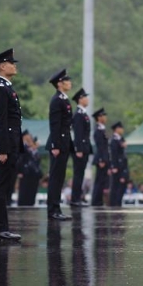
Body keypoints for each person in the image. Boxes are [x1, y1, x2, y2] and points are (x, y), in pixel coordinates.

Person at [0, 48, 23, 242]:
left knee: (4, 188)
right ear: (1, 66)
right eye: (11, 63)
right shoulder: (0, 88)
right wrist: (2, 149)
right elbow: (1, 121)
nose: (14, 65)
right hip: (4, 145)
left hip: (10, 143)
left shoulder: (6, 86)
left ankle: (3, 227)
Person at [45, 69, 74, 221]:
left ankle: (57, 208)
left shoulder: (64, 99)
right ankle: (52, 210)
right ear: (60, 84)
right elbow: (55, 124)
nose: (70, 83)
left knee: (60, 177)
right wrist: (55, 145)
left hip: (64, 142)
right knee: (55, 178)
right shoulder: (57, 100)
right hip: (58, 143)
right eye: (67, 81)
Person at [71, 88, 92, 207]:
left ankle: (78, 197)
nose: (87, 99)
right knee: (78, 174)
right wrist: (78, 149)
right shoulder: (79, 114)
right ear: (80, 99)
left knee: (80, 174)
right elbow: (78, 133)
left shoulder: (83, 113)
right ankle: (75, 199)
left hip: (84, 148)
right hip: (80, 149)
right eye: (85, 97)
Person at [91, 107, 109, 207]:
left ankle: (99, 201)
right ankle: (96, 201)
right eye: (104, 116)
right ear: (99, 117)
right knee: (99, 181)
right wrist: (102, 159)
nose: (105, 118)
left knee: (102, 181)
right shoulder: (98, 130)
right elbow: (100, 146)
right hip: (101, 159)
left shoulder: (102, 129)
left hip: (104, 159)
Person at [109, 121, 128, 207]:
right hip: (117, 166)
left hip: (122, 165)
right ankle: (113, 204)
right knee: (115, 186)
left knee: (121, 187)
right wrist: (114, 166)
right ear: (116, 129)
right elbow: (114, 154)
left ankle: (118, 203)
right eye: (120, 128)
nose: (122, 130)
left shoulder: (121, 139)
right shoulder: (114, 140)